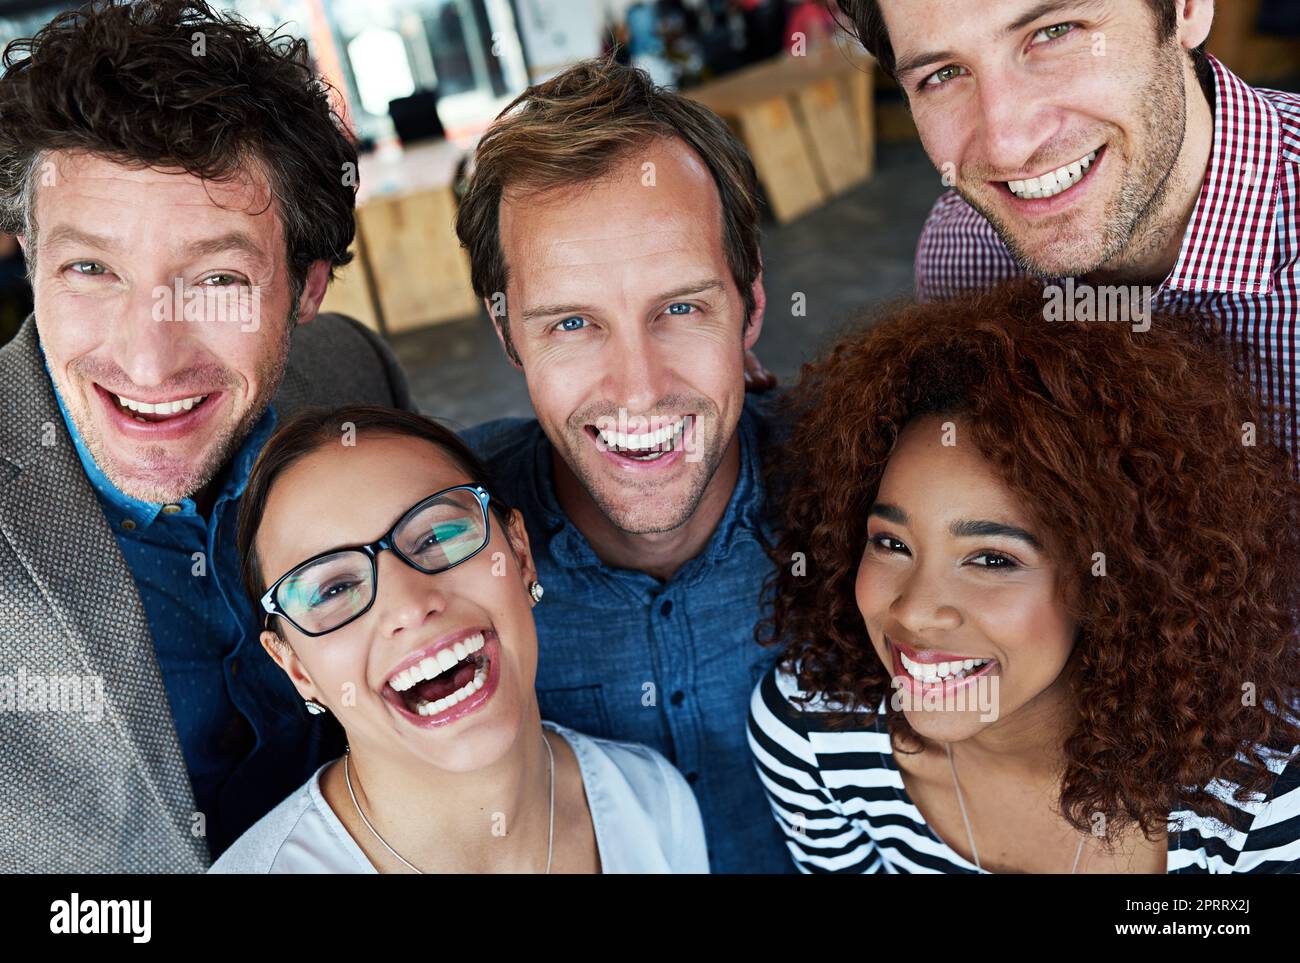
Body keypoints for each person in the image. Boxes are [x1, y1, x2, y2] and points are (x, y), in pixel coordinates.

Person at [0, 0, 411, 871]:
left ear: (307, 287)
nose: (149, 361)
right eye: (89, 269)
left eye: (218, 277)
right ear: (31, 258)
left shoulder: (351, 378)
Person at [749, 283, 1300, 873]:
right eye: (892, 542)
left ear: (1115, 586)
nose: (913, 612)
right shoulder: (813, 734)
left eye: (992, 559)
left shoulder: (1262, 804)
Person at [454, 58, 791, 873]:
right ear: (508, 337)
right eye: (572, 323)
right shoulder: (442, 553)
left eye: (680, 308)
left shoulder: (877, 487)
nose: (638, 389)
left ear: (749, 305)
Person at [211, 405, 707, 873]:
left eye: (435, 536)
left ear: (519, 554)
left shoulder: (651, 796)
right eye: (335, 588)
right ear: (296, 668)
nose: (408, 603)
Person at [832, 0, 1300, 459]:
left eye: (1055, 32)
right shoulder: (958, 247)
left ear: (1187, 9)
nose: (1008, 147)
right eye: (943, 74)